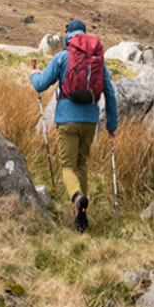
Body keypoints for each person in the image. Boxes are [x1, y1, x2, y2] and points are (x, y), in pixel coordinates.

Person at [29, 18, 118, 232]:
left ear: (68, 34)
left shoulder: (63, 57)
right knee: (81, 166)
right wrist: (112, 125)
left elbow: (41, 85)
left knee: (67, 167)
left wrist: (33, 75)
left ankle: (77, 198)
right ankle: (81, 218)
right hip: (90, 121)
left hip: (67, 120)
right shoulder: (97, 60)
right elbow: (110, 93)